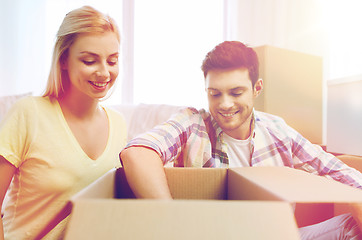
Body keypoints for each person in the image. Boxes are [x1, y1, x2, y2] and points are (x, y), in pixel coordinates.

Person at [120, 41, 362, 239]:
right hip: (216, 235)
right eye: (215, 94)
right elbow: (138, 152)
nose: (225, 104)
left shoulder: (277, 130)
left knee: (351, 225)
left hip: (277, 235)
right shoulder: (193, 124)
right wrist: (172, 220)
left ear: (257, 88)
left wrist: (354, 200)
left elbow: (338, 171)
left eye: (236, 93)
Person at [0, 6, 127, 239]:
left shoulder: (119, 125)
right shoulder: (28, 114)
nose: (104, 72)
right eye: (90, 60)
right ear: (63, 60)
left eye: (112, 60)